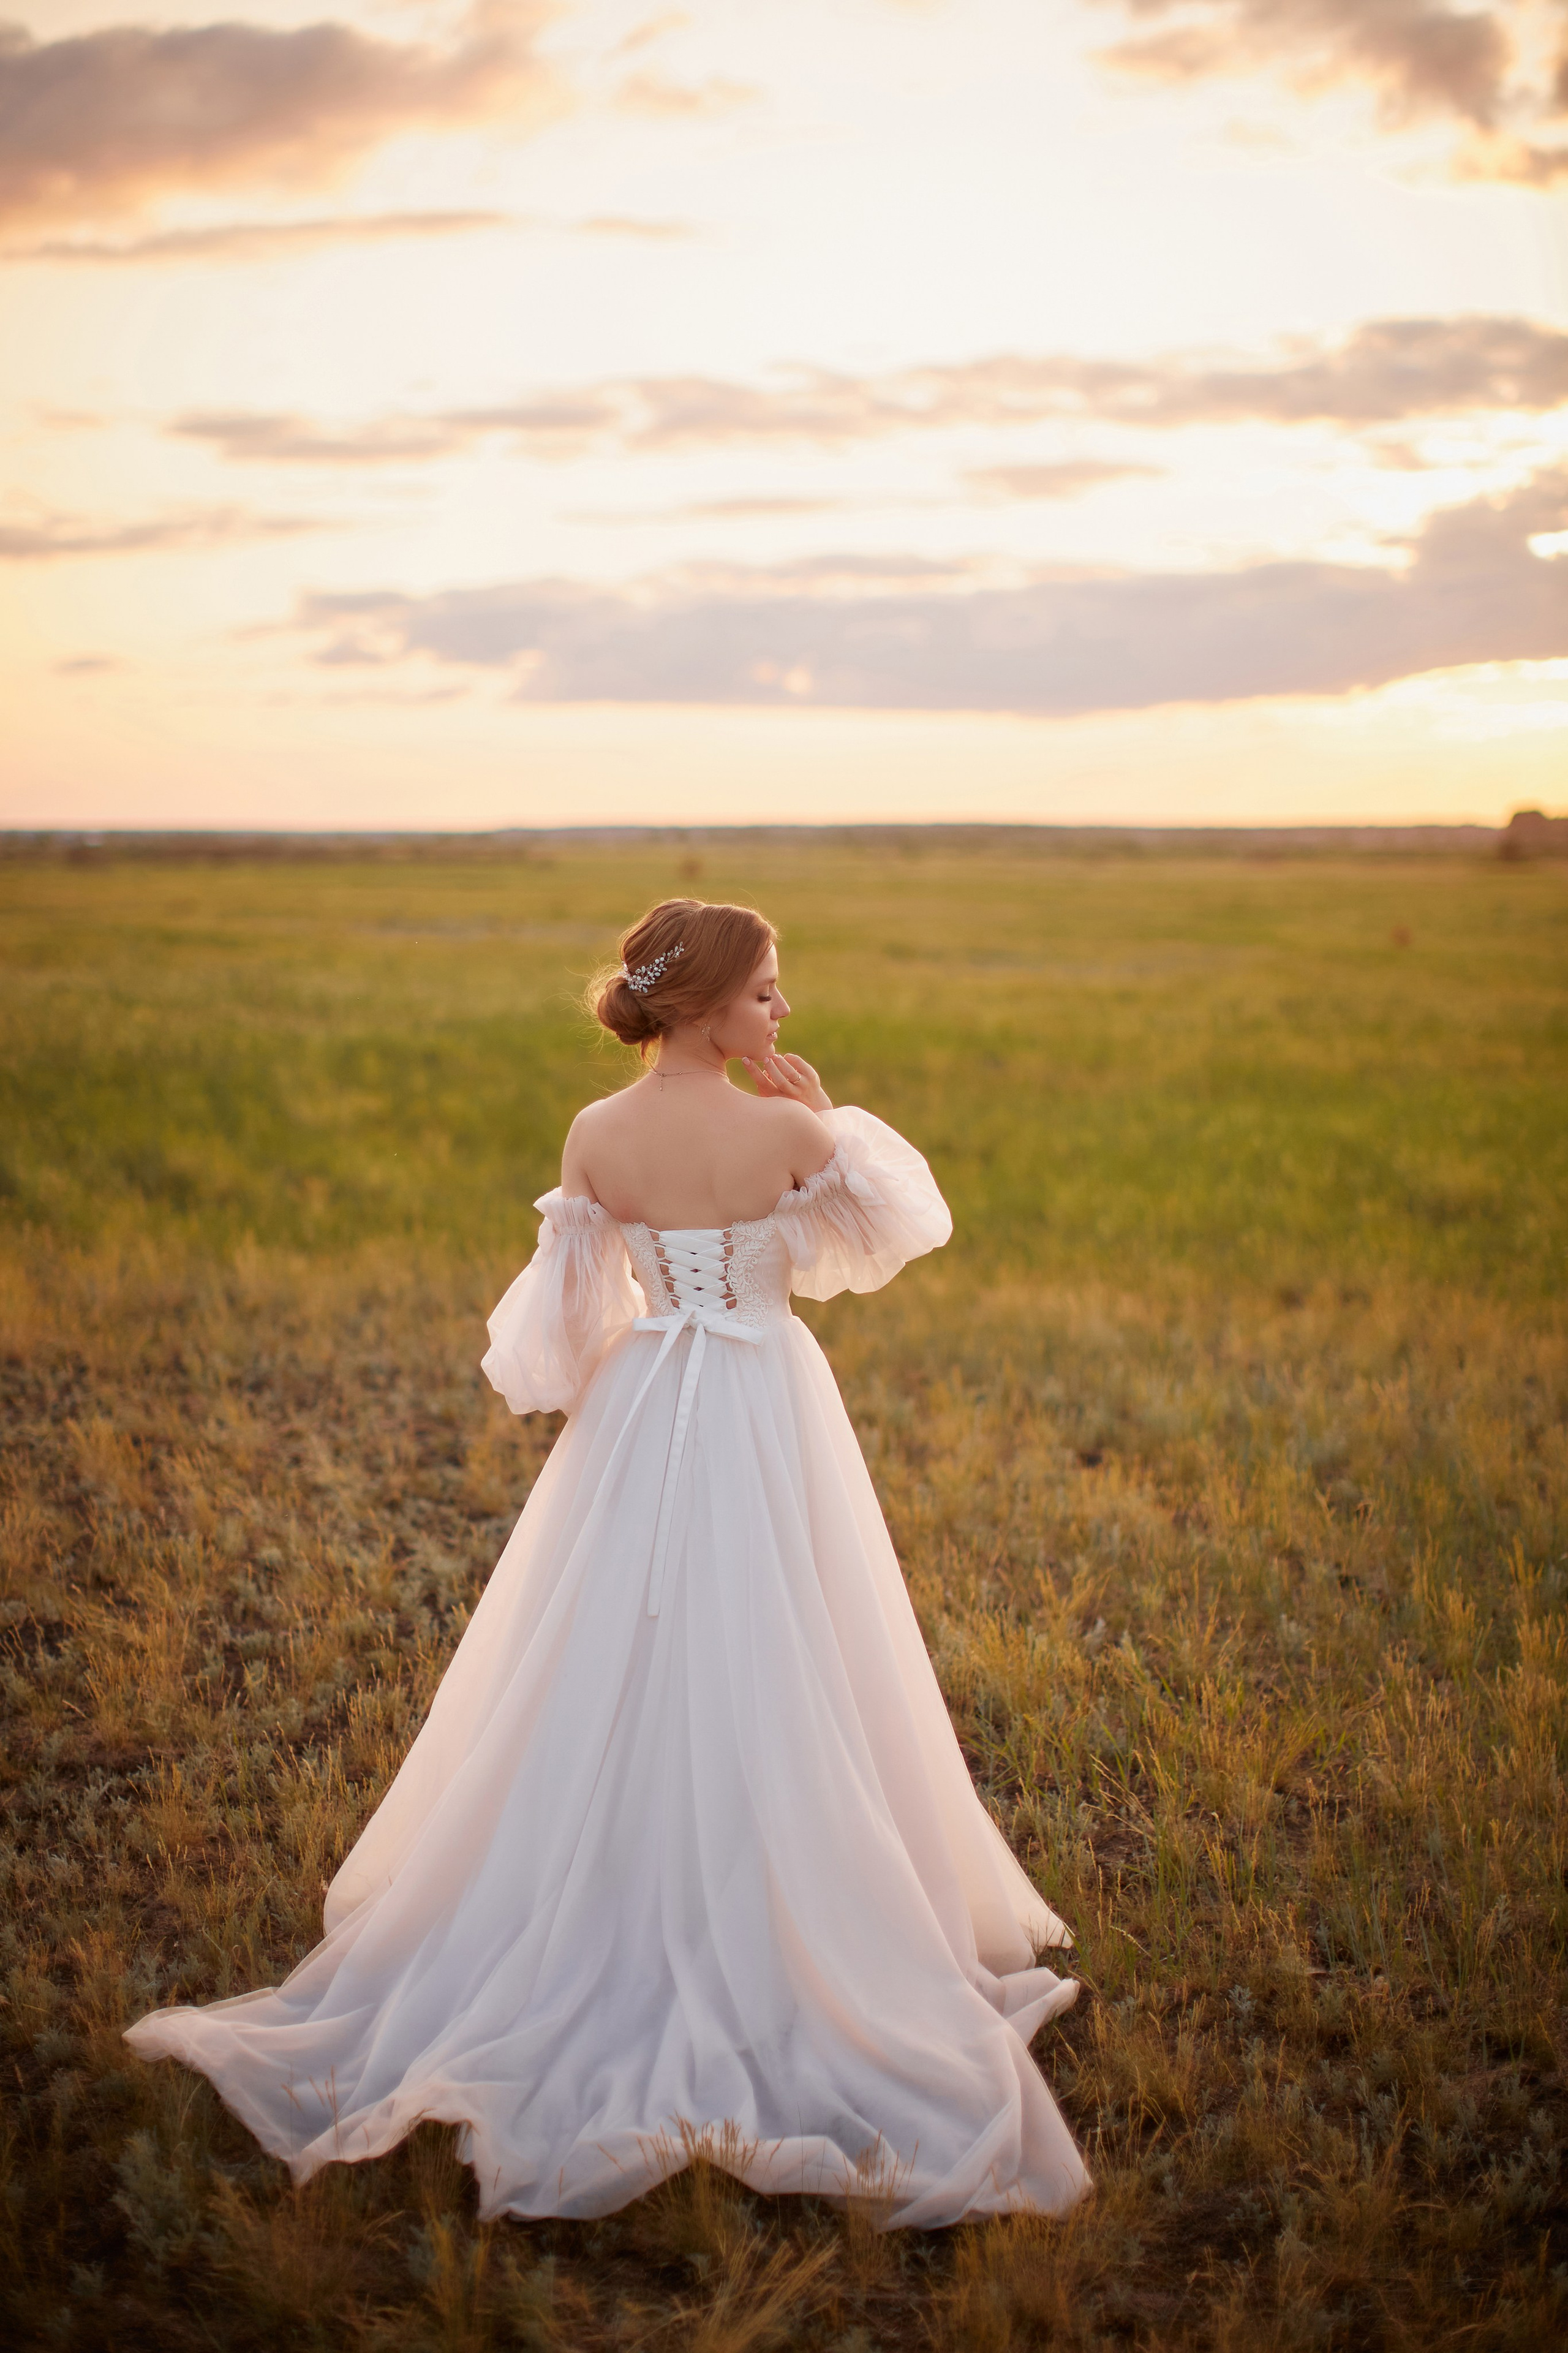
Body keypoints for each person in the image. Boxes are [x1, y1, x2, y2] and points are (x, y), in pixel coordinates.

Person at [125, 897, 1090, 2227]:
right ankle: (787, 1906)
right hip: (762, 1400)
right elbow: (886, 1234)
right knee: (783, 1638)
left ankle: (601, 1885)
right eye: (765, 994)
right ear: (701, 1007)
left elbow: (569, 1324)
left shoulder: (595, 1133)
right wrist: (824, 1113)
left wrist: (608, 1418)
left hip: (640, 1408)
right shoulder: (788, 1129)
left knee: (619, 1651)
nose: (780, 1016)